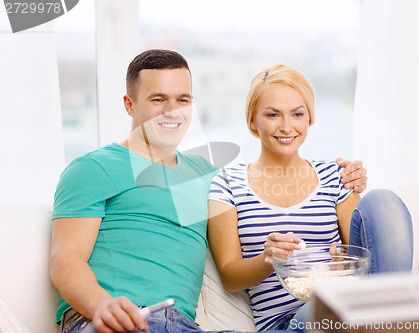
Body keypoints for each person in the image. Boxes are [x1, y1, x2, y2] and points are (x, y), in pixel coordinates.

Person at [50, 50, 367, 333]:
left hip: (181, 324)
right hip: (108, 320)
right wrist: (101, 306)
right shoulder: (92, 168)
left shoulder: (209, 178)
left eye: (183, 100)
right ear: (129, 105)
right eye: (158, 99)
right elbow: (66, 259)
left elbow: (267, 194)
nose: (172, 111)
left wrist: (350, 175)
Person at [207, 64, 413, 331]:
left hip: (349, 312)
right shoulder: (226, 183)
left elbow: (364, 258)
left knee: (383, 200)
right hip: (287, 324)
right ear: (252, 121)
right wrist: (269, 258)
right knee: (323, 308)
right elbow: (230, 275)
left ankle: (395, 321)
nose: (286, 126)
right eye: (272, 115)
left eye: (297, 114)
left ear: (309, 119)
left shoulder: (334, 176)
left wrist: (341, 267)